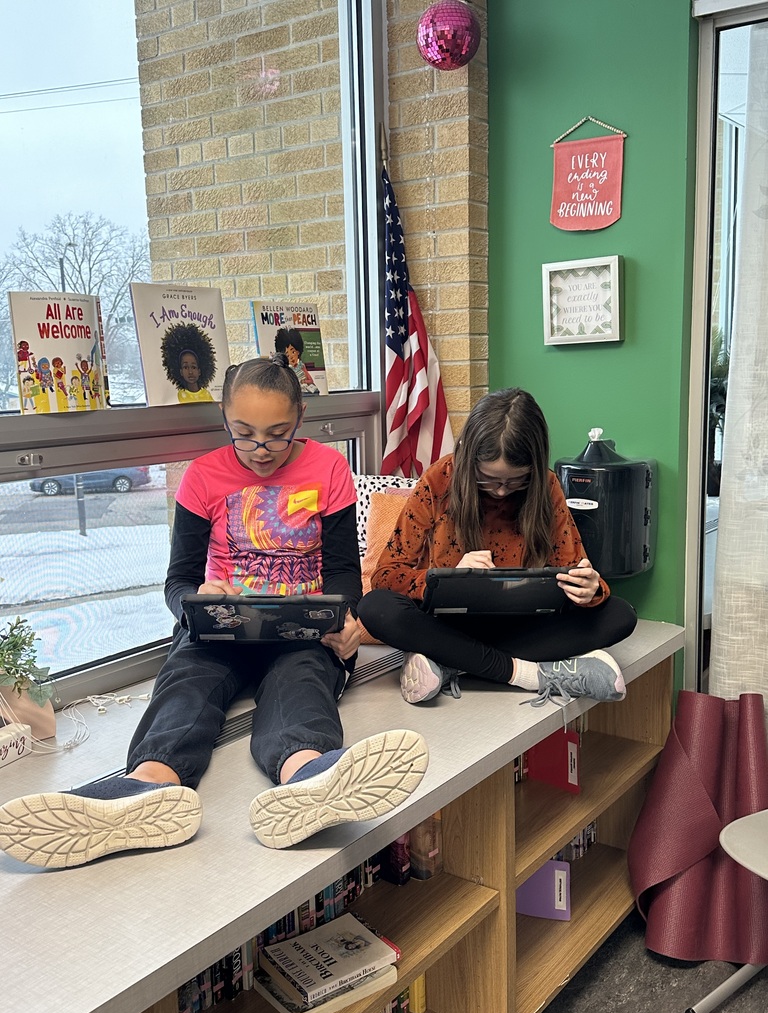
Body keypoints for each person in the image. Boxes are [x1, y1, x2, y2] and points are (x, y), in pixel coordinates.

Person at [0, 354, 428, 869]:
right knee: (187, 681)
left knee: (300, 682)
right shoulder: (202, 477)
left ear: (300, 422)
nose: (261, 450)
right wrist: (196, 600)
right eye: (244, 434)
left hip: (302, 632)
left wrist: (342, 620)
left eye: (278, 434)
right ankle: (148, 785)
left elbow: (340, 571)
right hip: (221, 629)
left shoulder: (328, 468)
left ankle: (308, 776)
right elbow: (177, 581)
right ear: (224, 418)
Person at [357, 387, 637, 707]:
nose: (502, 492)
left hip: (520, 625)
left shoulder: (545, 487)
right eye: (488, 479)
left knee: (620, 615)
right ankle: (529, 674)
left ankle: (449, 660)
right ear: (467, 458)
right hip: (447, 622)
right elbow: (386, 575)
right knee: (375, 607)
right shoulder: (439, 480)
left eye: (516, 480)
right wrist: (449, 576)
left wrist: (591, 589)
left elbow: (577, 570)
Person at [273, 327, 320, 394]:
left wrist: (305, 382)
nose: (291, 357)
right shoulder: (286, 370)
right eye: (287, 355)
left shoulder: (301, 366)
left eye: (293, 352)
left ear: (298, 352)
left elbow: (310, 380)